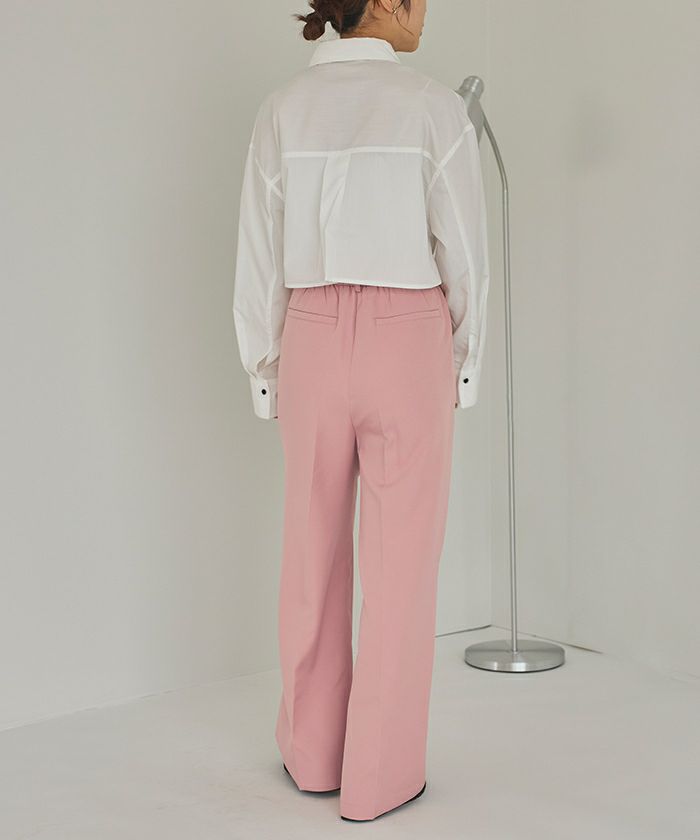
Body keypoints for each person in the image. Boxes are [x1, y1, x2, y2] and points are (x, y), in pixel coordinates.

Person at [232, 0, 490, 822]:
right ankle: (379, 775)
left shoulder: (283, 108)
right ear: (384, 0)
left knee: (310, 551)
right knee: (401, 565)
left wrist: (265, 367)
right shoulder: (432, 107)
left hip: (309, 331)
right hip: (407, 333)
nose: (427, 11)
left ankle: (313, 756)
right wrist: (464, 360)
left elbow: (259, 254)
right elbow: (464, 252)